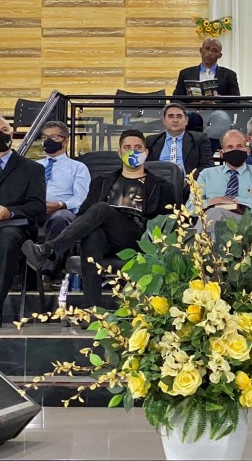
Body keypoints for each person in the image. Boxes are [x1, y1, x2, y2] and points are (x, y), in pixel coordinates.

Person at [22, 129, 175, 310]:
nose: (132, 151)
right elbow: (85, 215)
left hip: (140, 238)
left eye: (137, 147)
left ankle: (48, 249)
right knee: (92, 234)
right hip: (107, 239)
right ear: (119, 152)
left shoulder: (162, 185)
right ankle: (92, 309)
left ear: (146, 152)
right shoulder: (102, 181)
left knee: (101, 209)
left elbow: (170, 221)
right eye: (127, 147)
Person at [0, 116, 45, 324]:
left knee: (7, 239)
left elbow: (37, 209)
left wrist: (9, 212)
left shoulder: (32, 169)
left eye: (4, 129)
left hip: (15, 227)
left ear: (11, 134)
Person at [36, 121, 91, 284]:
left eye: (53, 137)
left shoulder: (78, 167)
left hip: (63, 211)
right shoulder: (35, 166)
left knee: (60, 218)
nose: (48, 141)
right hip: (36, 210)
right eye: (45, 137)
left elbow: (81, 199)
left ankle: (46, 272)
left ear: (65, 141)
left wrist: (60, 204)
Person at [191, 129, 252, 224]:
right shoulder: (206, 175)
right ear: (221, 154)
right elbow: (190, 208)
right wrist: (210, 202)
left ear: (247, 150)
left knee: (215, 214)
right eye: (230, 147)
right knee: (214, 214)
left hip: (248, 225)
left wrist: (237, 202)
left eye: (239, 146)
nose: (235, 150)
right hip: (212, 222)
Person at [172, 38, 240, 144]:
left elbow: (236, 101)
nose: (210, 53)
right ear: (201, 50)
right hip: (192, 111)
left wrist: (216, 102)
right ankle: (188, 148)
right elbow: (176, 100)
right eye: (207, 49)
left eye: (215, 50)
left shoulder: (229, 75)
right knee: (187, 118)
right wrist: (192, 103)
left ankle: (208, 150)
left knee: (221, 118)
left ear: (220, 55)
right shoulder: (185, 73)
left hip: (216, 112)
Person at [146, 103, 215, 178]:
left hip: (189, 185)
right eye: (171, 116)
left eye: (179, 116)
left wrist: (190, 181)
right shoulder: (151, 141)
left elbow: (208, 165)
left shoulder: (199, 139)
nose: (175, 120)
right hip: (158, 186)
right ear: (164, 121)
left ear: (186, 120)